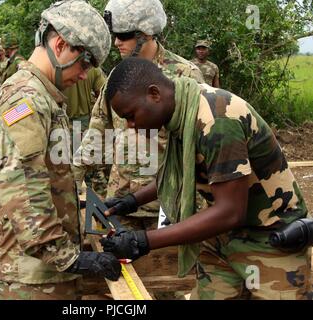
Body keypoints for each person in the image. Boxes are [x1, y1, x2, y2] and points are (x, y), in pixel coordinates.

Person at [100, 57, 312, 300]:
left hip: (269, 239)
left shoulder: (217, 121)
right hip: (223, 239)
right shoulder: (182, 109)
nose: (131, 125)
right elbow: (176, 174)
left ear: (154, 94)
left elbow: (230, 211)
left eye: (131, 116)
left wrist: (143, 241)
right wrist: (130, 201)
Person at [0, 0, 120, 300]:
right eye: (85, 63)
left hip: (43, 271)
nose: (85, 75)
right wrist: (70, 258)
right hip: (31, 279)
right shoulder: (26, 99)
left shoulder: (43, 96)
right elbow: (24, 191)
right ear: (60, 45)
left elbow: (44, 177)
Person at [74, 0, 204, 229]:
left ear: (145, 34)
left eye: (123, 36)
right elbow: (98, 130)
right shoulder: (118, 76)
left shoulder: (185, 75)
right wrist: (73, 178)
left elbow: (200, 144)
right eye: (115, 35)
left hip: (168, 204)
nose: (116, 43)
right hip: (121, 200)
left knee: (167, 264)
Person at [62, 67, 110, 197]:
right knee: (88, 163)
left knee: (66, 163)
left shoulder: (58, 68)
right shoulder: (93, 69)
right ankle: (97, 199)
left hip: (63, 121)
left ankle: (73, 192)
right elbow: (104, 93)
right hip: (84, 122)